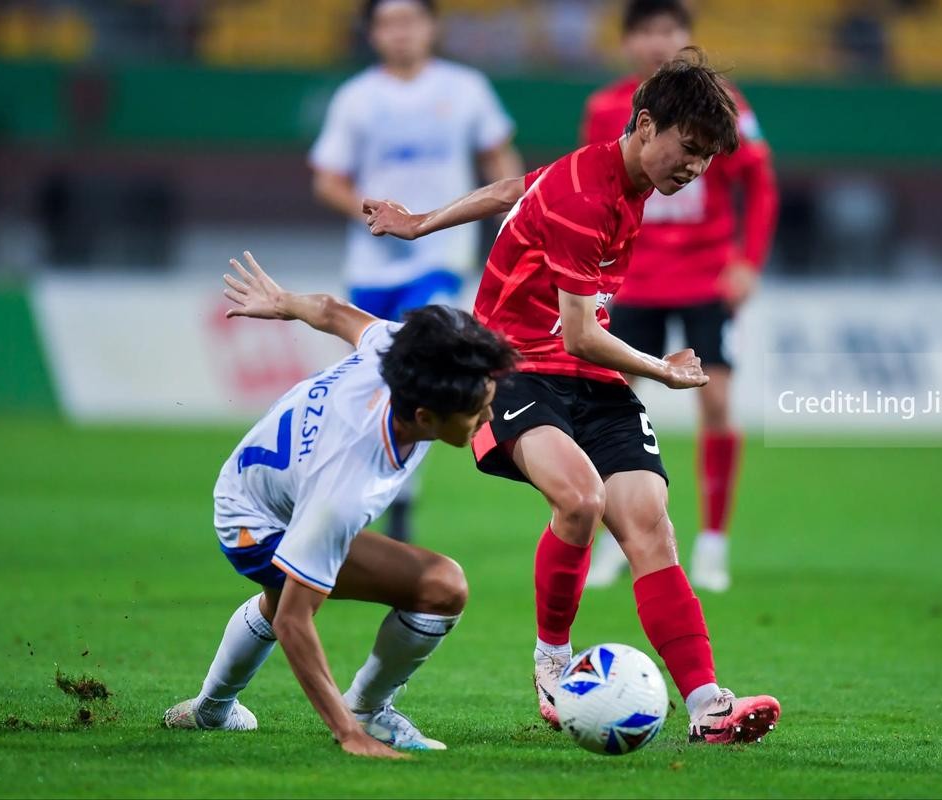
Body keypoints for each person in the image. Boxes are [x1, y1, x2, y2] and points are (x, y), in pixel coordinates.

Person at [363, 49, 781, 745]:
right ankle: (552, 662)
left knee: (649, 521)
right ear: (647, 125)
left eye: (709, 157)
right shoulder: (587, 199)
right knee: (582, 499)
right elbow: (584, 335)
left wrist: (419, 222)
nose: (696, 168)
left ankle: (708, 703)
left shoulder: (614, 174)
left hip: (587, 377)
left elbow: (510, 193)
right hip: (515, 367)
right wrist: (663, 368)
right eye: (689, 148)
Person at [163, 252, 517, 757]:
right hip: (254, 525)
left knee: (284, 591)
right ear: (424, 416)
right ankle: (365, 716)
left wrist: (284, 302)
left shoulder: (398, 354)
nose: (488, 411)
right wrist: (346, 735)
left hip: (265, 483)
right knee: (440, 587)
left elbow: (331, 310)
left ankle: (211, 711)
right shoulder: (349, 482)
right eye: (476, 408)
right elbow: (293, 622)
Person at [578, 0, 779, 593]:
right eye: (644, 32)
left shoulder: (727, 105)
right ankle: (616, 538)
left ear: (686, 37)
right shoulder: (605, 108)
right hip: (633, 279)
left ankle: (713, 543)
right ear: (627, 43)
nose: (656, 42)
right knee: (608, 405)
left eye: (668, 30)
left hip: (704, 279)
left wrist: (748, 262)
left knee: (716, 403)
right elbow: (595, 186)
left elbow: (760, 184)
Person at [309, 0, 523, 543]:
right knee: (372, 379)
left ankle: (400, 500)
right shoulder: (356, 97)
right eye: (388, 23)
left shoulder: (465, 88)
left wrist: (515, 215)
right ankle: (361, 491)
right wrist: (371, 210)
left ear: (432, 27)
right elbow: (327, 179)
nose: (400, 33)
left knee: (423, 364)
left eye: (410, 21)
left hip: (439, 255)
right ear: (374, 33)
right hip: (371, 261)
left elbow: (500, 160)